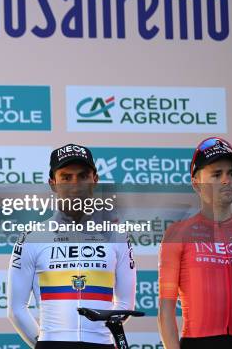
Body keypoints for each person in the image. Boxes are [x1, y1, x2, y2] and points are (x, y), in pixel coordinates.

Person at [7, 144, 136, 349]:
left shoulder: (117, 236)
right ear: (53, 183)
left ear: (95, 179)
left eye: (83, 176)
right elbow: (16, 308)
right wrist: (43, 344)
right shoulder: (32, 238)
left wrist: (100, 336)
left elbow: (125, 305)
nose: (75, 185)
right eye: (66, 177)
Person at [158, 137, 232, 349]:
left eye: (231, 173)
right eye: (216, 174)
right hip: (197, 343)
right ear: (196, 182)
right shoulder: (178, 233)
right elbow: (165, 310)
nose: (227, 180)